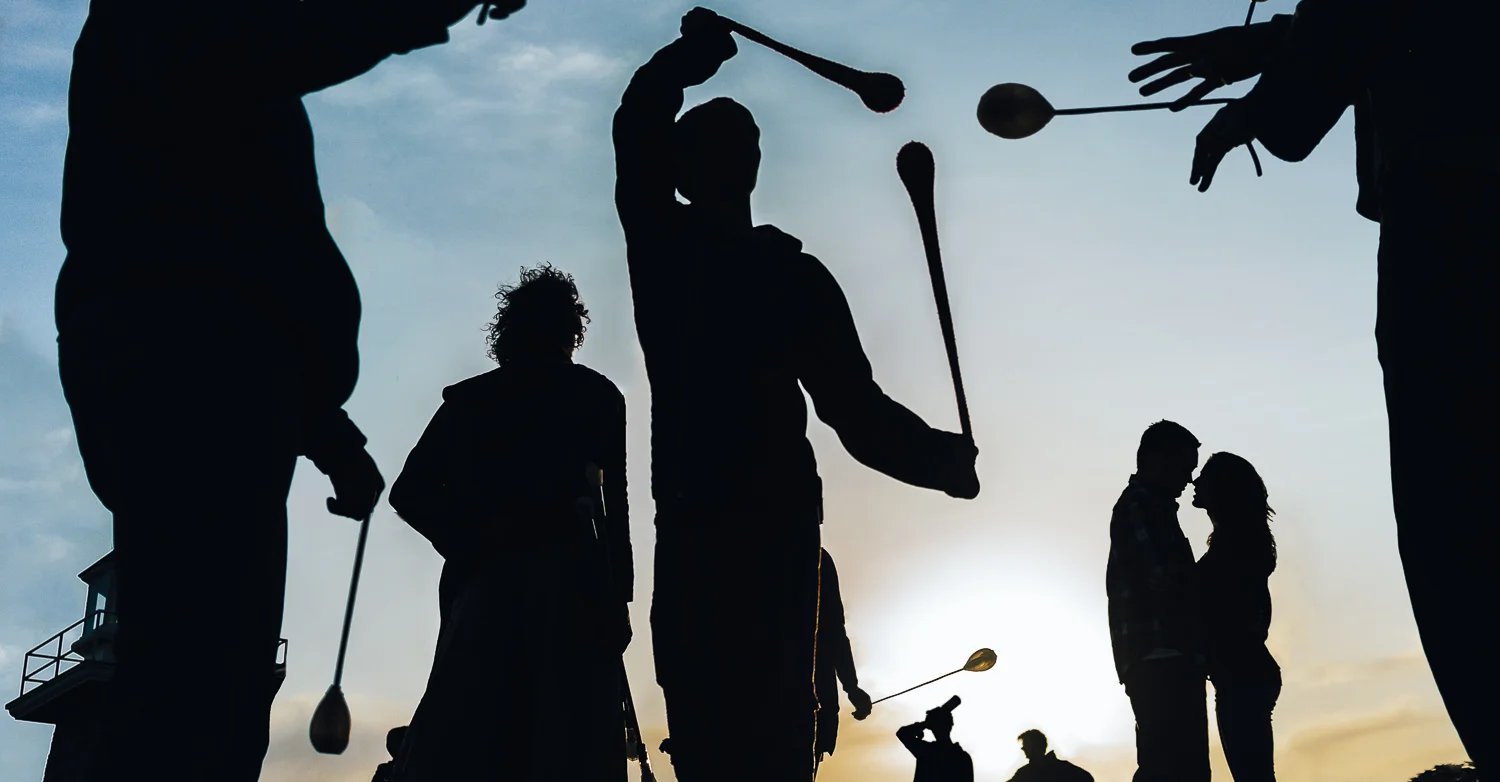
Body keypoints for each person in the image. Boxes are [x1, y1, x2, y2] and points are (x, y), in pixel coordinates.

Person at [53, 2, 525, 780]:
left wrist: (328, 434)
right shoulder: (172, 27)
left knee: (216, 680)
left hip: (215, 374)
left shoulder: (183, 60)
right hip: (192, 374)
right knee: (195, 682)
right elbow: (221, 268)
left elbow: (240, 264)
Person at [1128, 5, 1499, 771]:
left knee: (1454, 512)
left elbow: (1352, 37)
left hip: (1449, 200)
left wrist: (1263, 105)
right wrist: (1267, 45)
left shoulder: (1213, 544)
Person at [612, 8, 980, 781]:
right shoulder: (726, 262)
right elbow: (859, 415)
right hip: (741, 520)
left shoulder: (703, 259)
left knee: (735, 725)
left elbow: (858, 411)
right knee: (749, 725)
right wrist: (939, 461)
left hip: (732, 522)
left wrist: (938, 460)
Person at [387, 265, 631, 782]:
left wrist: (470, 541)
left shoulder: (472, 401)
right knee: (570, 752)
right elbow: (616, 511)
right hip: (570, 595)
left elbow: (409, 492)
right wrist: (617, 600)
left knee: (467, 749)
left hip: (494, 591)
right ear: (570, 330)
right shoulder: (597, 397)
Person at [1106, 420, 1207, 782]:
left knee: (1170, 765)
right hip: (1161, 655)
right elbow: (1167, 579)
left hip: (1159, 657)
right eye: (1185, 467)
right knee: (1176, 768)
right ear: (1158, 460)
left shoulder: (1150, 507)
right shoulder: (1141, 507)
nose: (1189, 479)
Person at [1192, 453, 1281, 782]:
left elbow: (1237, 614)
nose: (1195, 482)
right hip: (1243, 674)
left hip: (1242, 676)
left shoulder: (1234, 546)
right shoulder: (1237, 542)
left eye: (1204, 477)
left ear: (1221, 489)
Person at [815, 547, 875, 769]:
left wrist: (852, 687)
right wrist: (851, 687)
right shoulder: (818, 558)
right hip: (810, 701)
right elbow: (834, 632)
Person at [896, 697, 974, 782]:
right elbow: (902, 734)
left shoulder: (927, 751)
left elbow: (903, 734)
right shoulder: (963, 757)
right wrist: (926, 723)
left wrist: (924, 724)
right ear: (951, 724)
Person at [1006, 730, 1094, 782]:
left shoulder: (1026, 773)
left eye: (1026, 745)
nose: (1023, 748)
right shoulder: (1065, 769)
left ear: (1035, 746)